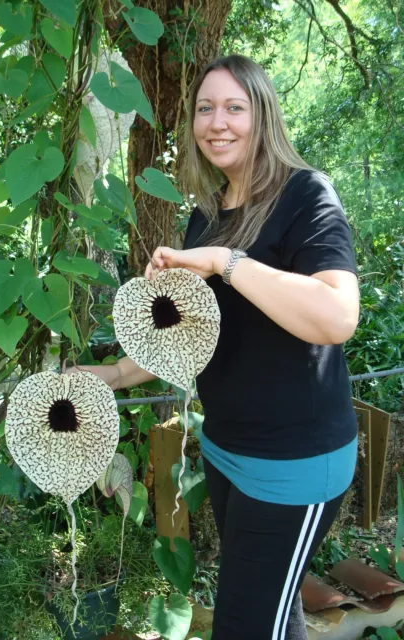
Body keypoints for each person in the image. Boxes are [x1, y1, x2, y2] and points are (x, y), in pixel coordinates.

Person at [67, 55, 360, 640]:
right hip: (228, 452)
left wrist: (228, 263)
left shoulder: (306, 195)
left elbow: (336, 316)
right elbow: (186, 337)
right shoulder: (207, 216)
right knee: (274, 613)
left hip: (294, 463)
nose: (217, 122)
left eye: (234, 107)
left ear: (264, 116)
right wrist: (115, 375)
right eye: (205, 108)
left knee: (245, 626)